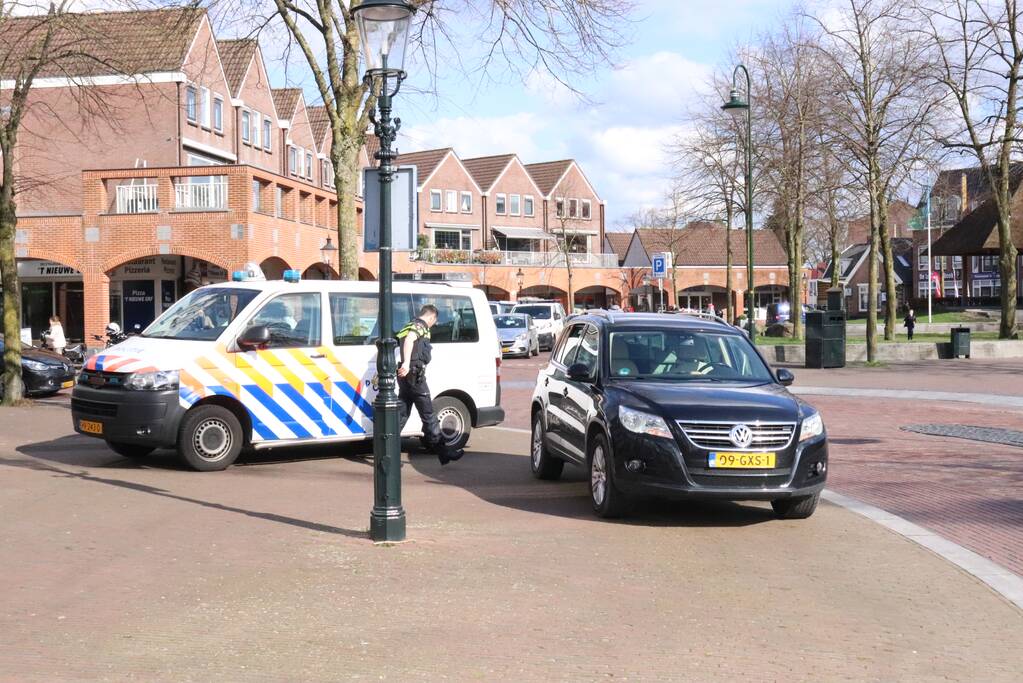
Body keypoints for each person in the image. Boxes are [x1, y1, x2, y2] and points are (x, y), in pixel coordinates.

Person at [396, 304, 464, 465]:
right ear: (431, 317)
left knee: (401, 415)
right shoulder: (420, 326)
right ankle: (444, 453)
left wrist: (405, 365)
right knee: (429, 417)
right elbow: (410, 340)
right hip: (415, 375)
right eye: (434, 321)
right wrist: (406, 363)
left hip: (406, 377)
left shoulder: (407, 325)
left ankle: (388, 452)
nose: (433, 324)